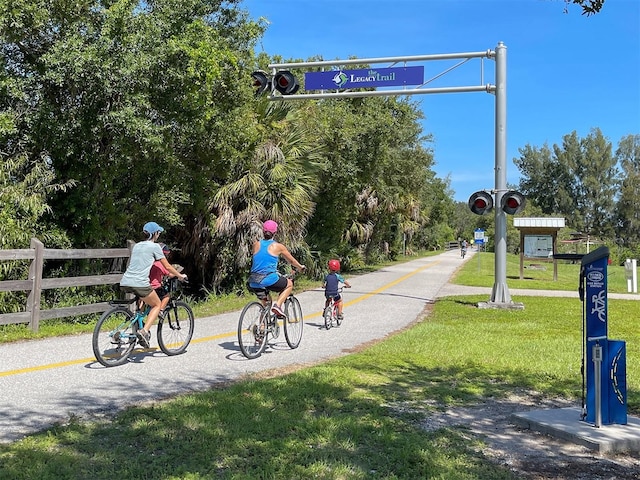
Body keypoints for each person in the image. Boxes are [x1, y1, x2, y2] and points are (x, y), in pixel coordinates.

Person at [119, 222, 187, 348]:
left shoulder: (137, 246)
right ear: (154, 233)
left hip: (125, 281)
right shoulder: (155, 247)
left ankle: (137, 325)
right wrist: (180, 276)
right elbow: (167, 266)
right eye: (158, 232)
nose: (159, 234)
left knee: (143, 305)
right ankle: (144, 331)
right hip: (140, 283)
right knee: (157, 304)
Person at [248, 220, 305, 317]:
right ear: (275, 232)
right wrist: (300, 267)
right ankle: (278, 306)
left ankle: (262, 328)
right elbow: (291, 261)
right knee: (289, 284)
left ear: (263, 231)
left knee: (266, 304)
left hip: (253, 281)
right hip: (268, 279)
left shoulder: (256, 244)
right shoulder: (278, 246)